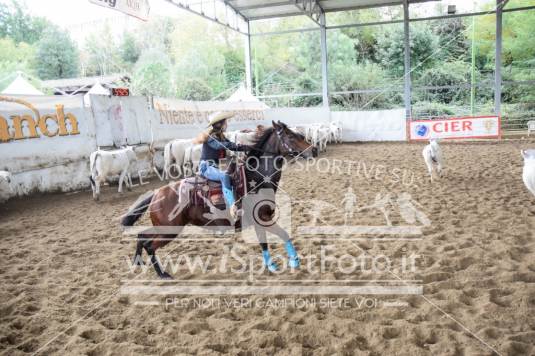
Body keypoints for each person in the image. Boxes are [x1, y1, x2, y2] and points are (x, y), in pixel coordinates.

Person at [195, 111, 249, 219]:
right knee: (224, 176)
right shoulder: (212, 137)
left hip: (217, 165)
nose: (227, 124)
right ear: (220, 124)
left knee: (237, 170)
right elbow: (220, 146)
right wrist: (237, 146)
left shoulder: (221, 136)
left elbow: (230, 145)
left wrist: (243, 147)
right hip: (206, 166)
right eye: (225, 122)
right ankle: (232, 205)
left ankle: (239, 198)